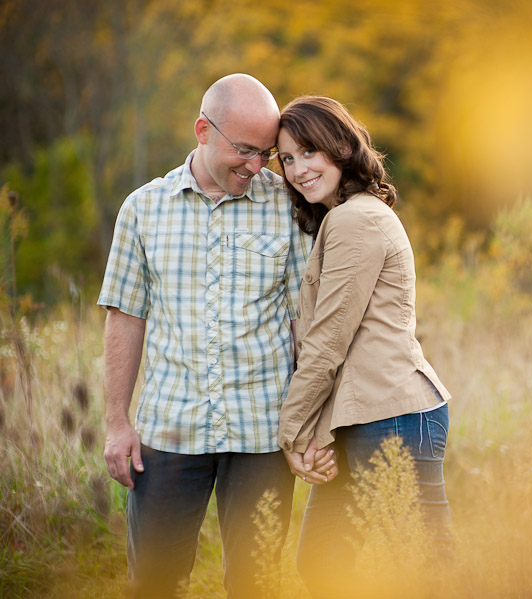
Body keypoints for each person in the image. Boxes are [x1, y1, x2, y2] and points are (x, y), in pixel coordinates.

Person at [98, 74, 335, 599]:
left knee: (256, 585)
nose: (257, 166)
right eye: (245, 150)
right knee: (154, 584)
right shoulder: (142, 210)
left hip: (263, 434)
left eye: (267, 154)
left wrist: (315, 417)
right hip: (169, 432)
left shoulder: (287, 206)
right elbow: (125, 317)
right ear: (203, 131)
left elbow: (306, 324)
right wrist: (117, 422)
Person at [276, 95, 453, 598]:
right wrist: (317, 433)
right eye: (287, 158)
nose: (298, 169)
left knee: (423, 570)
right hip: (362, 419)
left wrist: (292, 435)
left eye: (309, 151)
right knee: (325, 562)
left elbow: (328, 341)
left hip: (395, 417)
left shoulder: (356, 220)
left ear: (341, 146)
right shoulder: (345, 217)